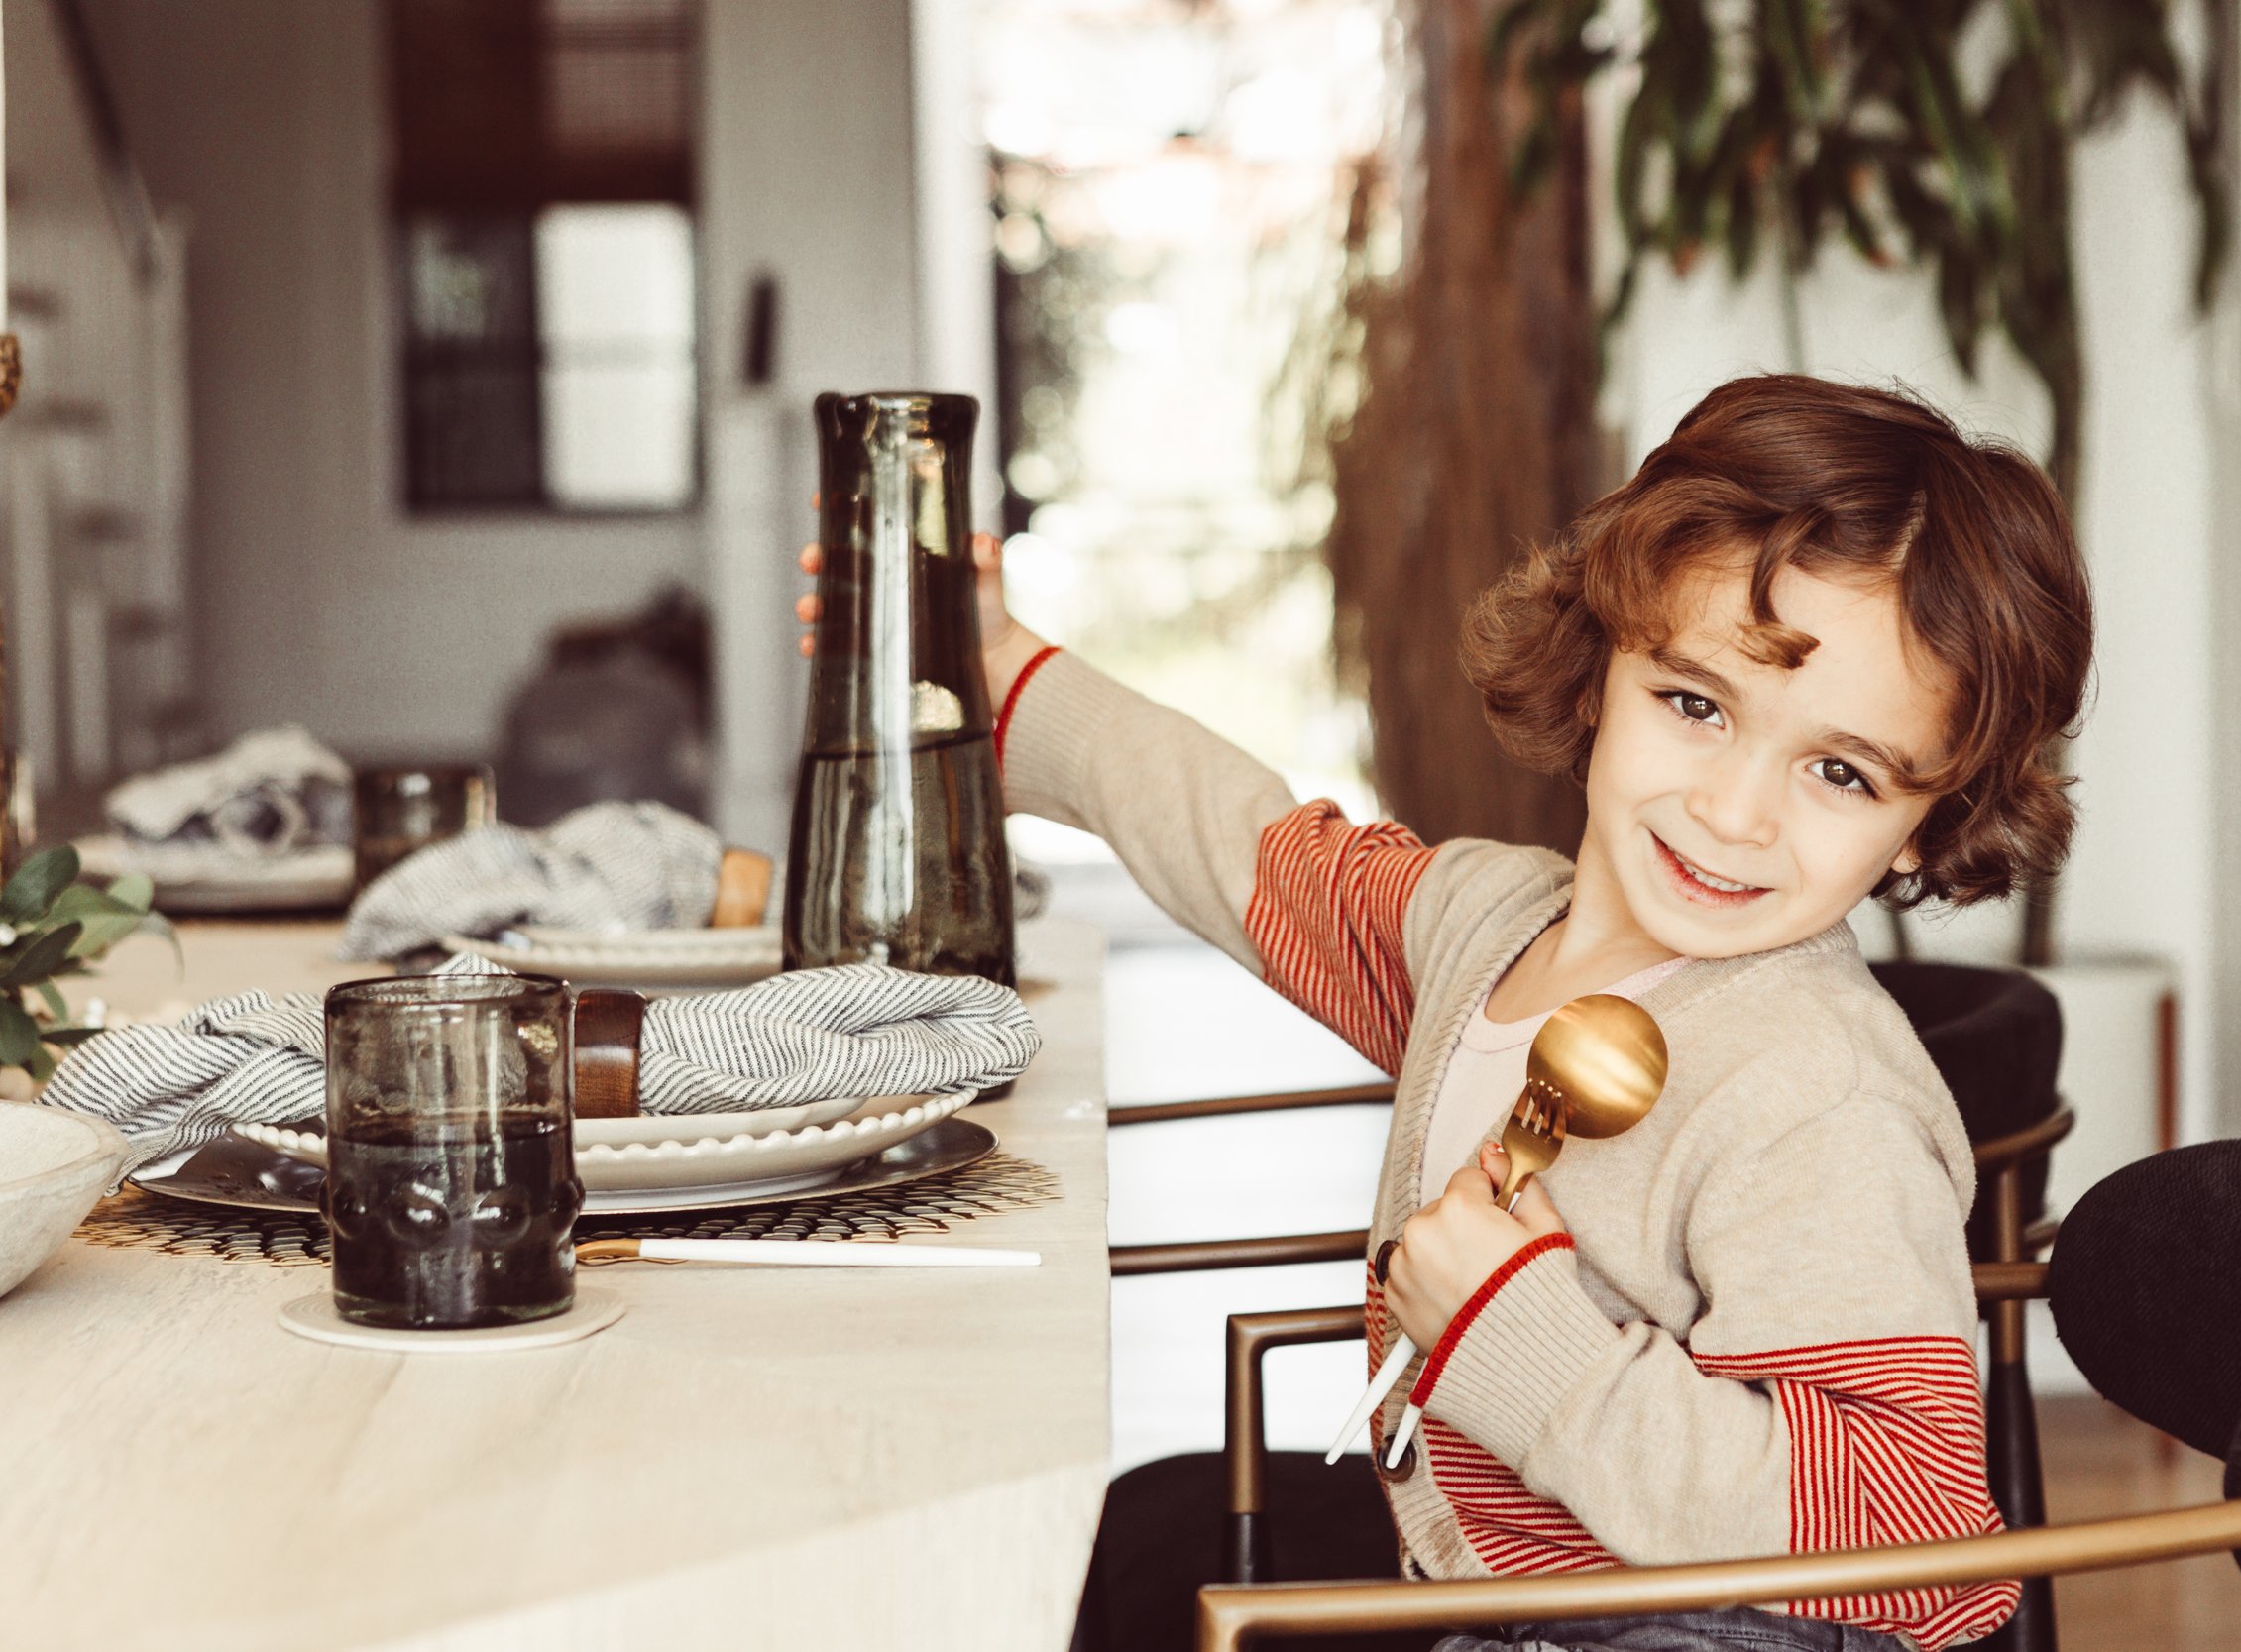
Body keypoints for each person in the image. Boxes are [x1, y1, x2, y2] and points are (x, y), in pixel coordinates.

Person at [798, 375, 2093, 1652]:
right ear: (1599, 667)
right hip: (1488, 1593)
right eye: (1695, 704)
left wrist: (1523, 1338)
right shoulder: (1488, 925)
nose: (1736, 812)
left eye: (1838, 770)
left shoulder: (1816, 1101)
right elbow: (1249, 850)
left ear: (1933, 819)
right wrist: (1008, 669)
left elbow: (1909, 1531)